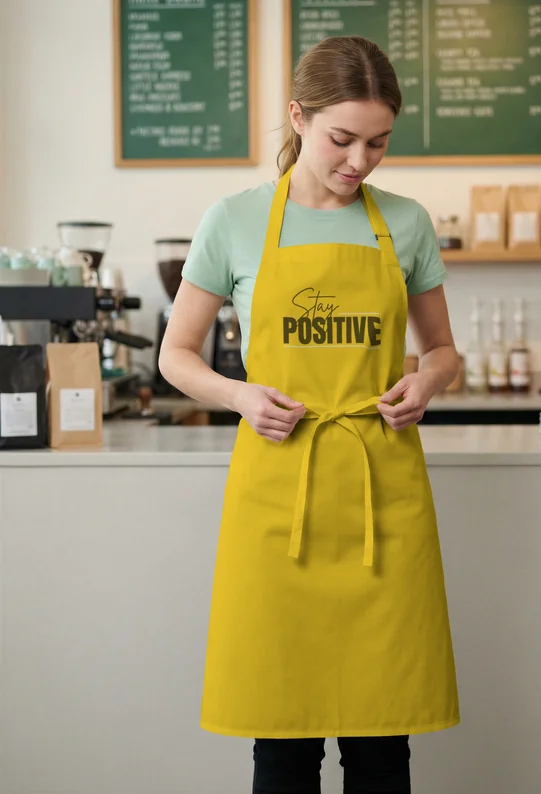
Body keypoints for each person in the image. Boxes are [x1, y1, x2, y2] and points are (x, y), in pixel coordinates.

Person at [159, 35, 460, 794]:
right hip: (278, 497)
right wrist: (240, 395)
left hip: (380, 499)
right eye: (341, 139)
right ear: (298, 118)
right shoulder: (233, 220)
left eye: (378, 143)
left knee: (382, 749)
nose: (360, 161)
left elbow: (446, 351)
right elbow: (177, 356)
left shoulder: (408, 224)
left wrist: (427, 382)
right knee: (284, 750)